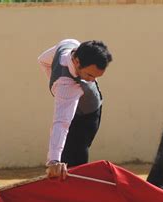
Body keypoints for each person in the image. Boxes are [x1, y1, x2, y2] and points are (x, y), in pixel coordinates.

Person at [38, 39, 113, 179]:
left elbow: (43, 60)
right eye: (89, 75)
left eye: (96, 77)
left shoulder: (68, 44)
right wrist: (53, 160)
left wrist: (54, 160)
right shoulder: (66, 85)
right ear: (77, 61)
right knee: (65, 161)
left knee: (75, 159)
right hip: (72, 105)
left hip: (88, 115)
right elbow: (61, 122)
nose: (92, 81)